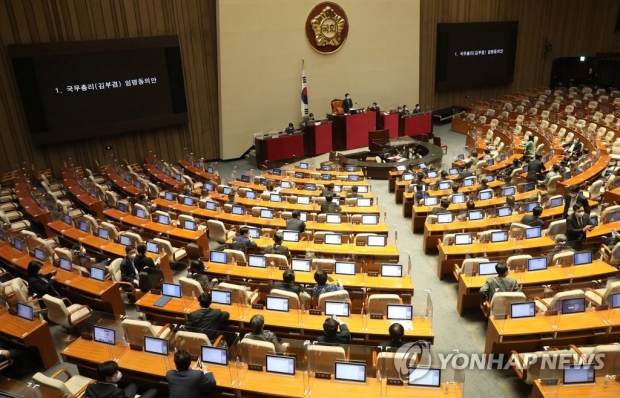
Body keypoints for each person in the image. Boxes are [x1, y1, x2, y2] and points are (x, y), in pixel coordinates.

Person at [86, 360, 157, 398]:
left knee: (133, 384)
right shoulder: (117, 392)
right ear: (108, 378)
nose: (118, 373)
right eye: (116, 372)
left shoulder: (90, 387)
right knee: (154, 390)